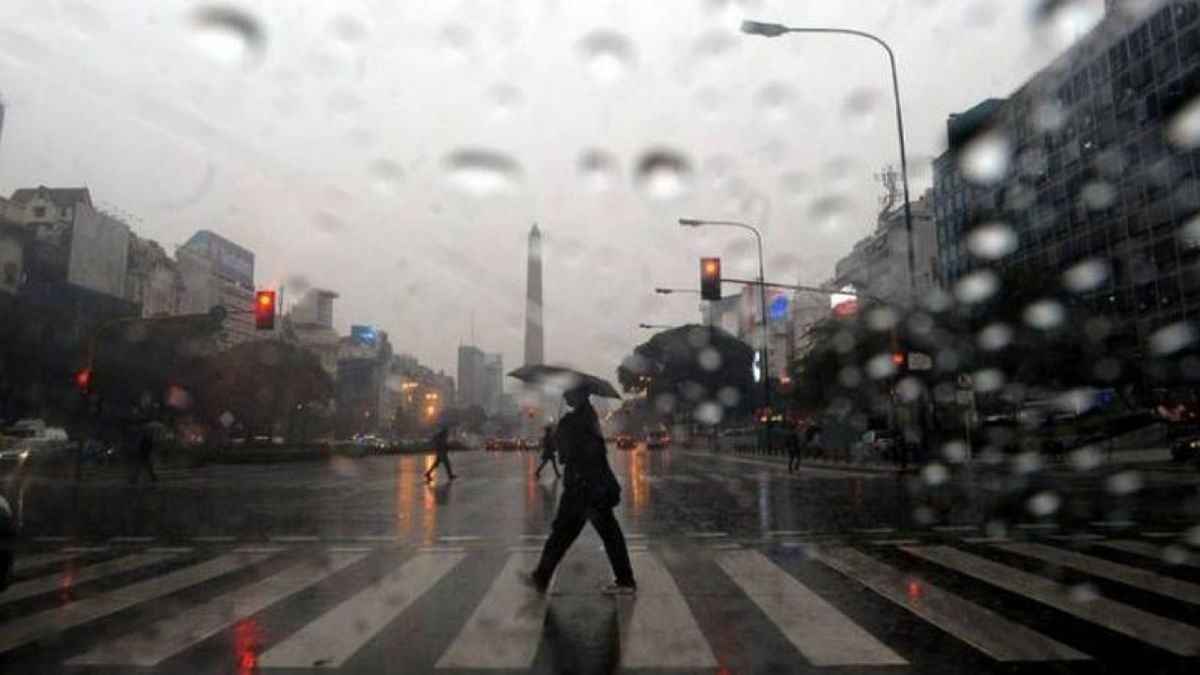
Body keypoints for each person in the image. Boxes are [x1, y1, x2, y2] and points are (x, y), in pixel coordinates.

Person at [521, 386, 635, 595]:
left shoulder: (579, 419)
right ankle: (542, 577)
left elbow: (567, 454)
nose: (565, 396)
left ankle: (542, 577)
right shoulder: (586, 416)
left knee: (567, 533)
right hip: (590, 485)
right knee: (581, 533)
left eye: (569, 393)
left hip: (585, 487)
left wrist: (559, 432)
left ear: (580, 394)